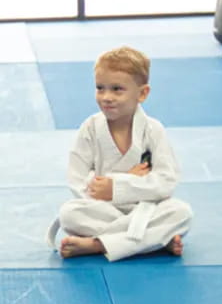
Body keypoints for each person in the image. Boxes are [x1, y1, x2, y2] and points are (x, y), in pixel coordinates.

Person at [46, 46, 192, 262]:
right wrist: (110, 188)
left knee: (181, 213)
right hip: (101, 209)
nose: (106, 97)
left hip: (144, 207)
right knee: (69, 214)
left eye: (117, 89)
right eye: (100, 88)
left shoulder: (153, 130)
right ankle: (155, 241)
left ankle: (97, 244)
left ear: (142, 93)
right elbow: (76, 178)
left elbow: (166, 181)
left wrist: (119, 185)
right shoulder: (91, 128)